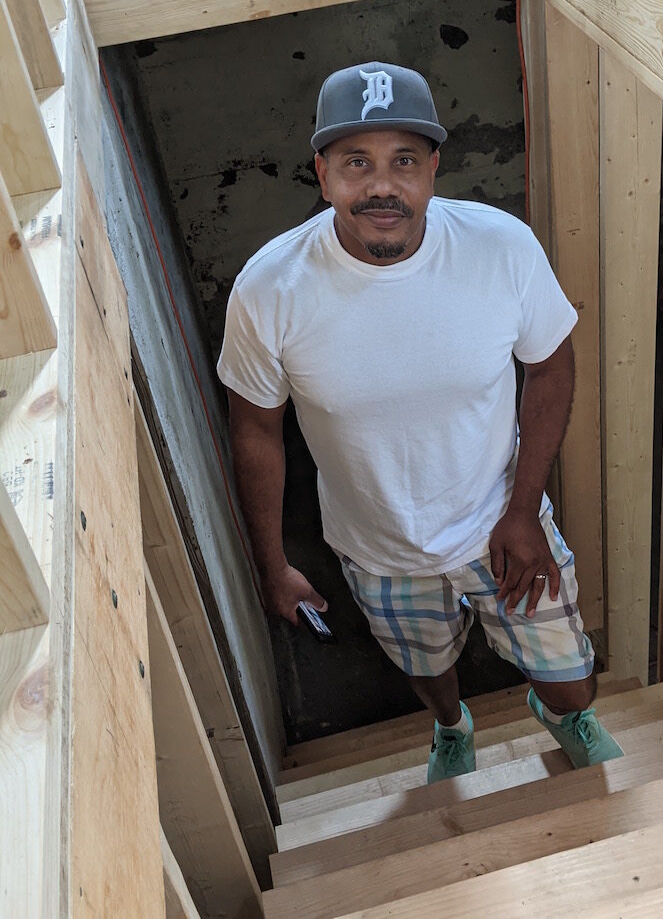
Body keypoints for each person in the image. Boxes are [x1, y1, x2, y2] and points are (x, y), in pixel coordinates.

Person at [217, 61, 623, 782]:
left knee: (569, 675)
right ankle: (450, 728)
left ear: (434, 167)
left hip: (501, 524)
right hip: (377, 550)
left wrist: (525, 508)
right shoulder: (270, 288)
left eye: (403, 160)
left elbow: (551, 368)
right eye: (356, 163)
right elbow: (256, 430)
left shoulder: (500, 249)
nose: (381, 185)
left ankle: (565, 716)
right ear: (322, 173)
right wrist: (271, 563)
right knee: (426, 667)